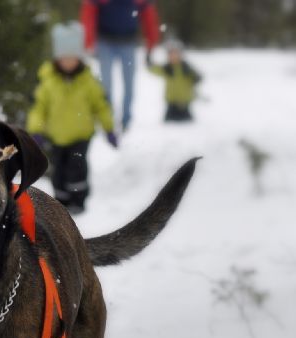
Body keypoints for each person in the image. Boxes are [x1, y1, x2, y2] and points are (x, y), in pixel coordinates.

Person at [27, 22, 117, 215]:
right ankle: (61, 201)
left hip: (80, 136)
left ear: (79, 58)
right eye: (64, 58)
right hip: (56, 136)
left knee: (76, 169)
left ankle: (78, 200)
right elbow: (39, 108)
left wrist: (109, 129)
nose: (68, 62)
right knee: (58, 172)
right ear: (57, 58)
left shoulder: (88, 81)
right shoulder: (48, 81)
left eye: (72, 58)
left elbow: (101, 106)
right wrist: (36, 130)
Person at [80, 0, 161, 130]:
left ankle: (126, 119)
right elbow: (89, 12)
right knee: (106, 84)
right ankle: (108, 119)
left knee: (129, 84)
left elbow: (149, 18)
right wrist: (89, 43)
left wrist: (151, 45)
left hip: (128, 43)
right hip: (105, 42)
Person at [146, 39, 202, 122]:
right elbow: (154, 69)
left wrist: (196, 78)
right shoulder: (166, 69)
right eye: (171, 54)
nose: (173, 56)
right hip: (171, 103)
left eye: (176, 54)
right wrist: (149, 62)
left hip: (184, 103)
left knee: (187, 122)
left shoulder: (186, 68)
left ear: (181, 55)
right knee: (169, 122)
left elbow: (197, 77)